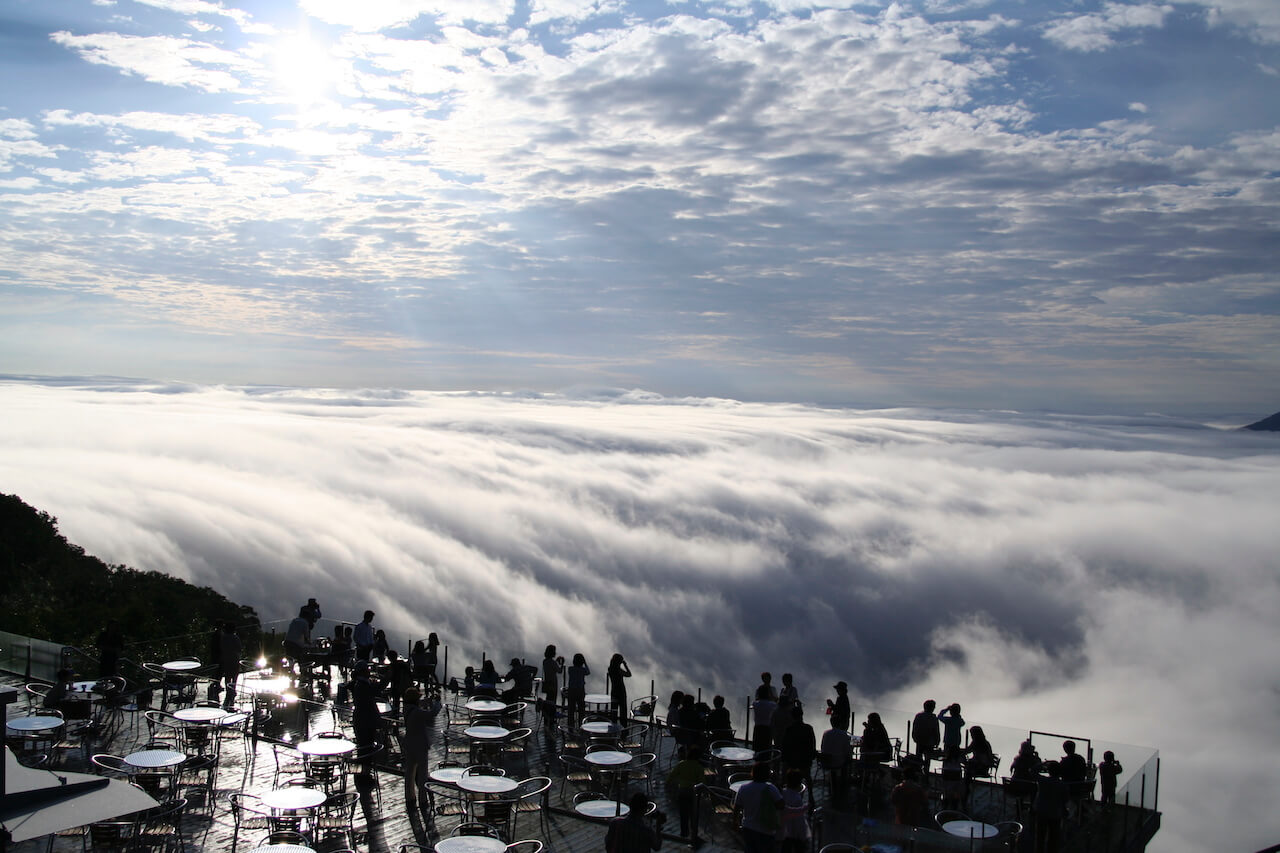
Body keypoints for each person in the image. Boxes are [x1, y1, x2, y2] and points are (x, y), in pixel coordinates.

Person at [401, 685, 442, 812]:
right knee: (422, 775)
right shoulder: (417, 712)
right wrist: (437, 703)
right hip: (420, 745)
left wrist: (428, 700)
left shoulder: (407, 709)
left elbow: (418, 705)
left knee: (410, 773)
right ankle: (423, 800)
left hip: (409, 743)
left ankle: (410, 797)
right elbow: (432, 714)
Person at [733, 761, 783, 853]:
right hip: (766, 829)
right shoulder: (771, 788)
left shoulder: (743, 788)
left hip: (748, 827)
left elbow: (737, 807)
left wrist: (735, 821)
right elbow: (781, 805)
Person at [667, 745, 704, 837]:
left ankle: (684, 832)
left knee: (683, 814)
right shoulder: (699, 767)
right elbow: (702, 782)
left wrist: (667, 784)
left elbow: (671, 775)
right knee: (693, 813)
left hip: (682, 791)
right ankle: (693, 832)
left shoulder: (681, 764)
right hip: (693, 792)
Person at [1033, 763, 1069, 853]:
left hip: (1042, 812)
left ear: (1049, 771)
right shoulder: (1062, 785)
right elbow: (1065, 800)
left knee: (1040, 837)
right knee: (1053, 839)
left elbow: (1032, 771)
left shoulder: (1043, 781)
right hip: (1055, 813)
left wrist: (1042, 764)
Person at [779, 704, 815, 785]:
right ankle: (810, 794)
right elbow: (812, 743)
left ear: (792, 716)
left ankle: (785, 791)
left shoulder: (789, 729)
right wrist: (811, 756)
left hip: (792, 759)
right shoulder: (808, 728)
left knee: (785, 775)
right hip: (805, 759)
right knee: (807, 776)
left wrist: (784, 758)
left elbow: (784, 744)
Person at [350, 660, 382, 748]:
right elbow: (370, 703)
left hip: (361, 719)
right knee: (367, 746)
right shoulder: (363, 685)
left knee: (364, 745)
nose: (369, 671)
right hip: (365, 720)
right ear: (363, 672)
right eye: (367, 669)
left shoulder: (359, 683)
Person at [778, 767, 811, 853]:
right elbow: (797, 818)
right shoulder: (796, 798)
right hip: (793, 832)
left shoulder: (782, 793)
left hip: (783, 829)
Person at [218, 621, 242, 709]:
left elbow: (221, 648)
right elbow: (239, 648)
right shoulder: (235, 638)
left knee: (227, 676)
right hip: (234, 659)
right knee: (235, 675)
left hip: (226, 659)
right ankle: (233, 690)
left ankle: (228, 690)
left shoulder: (223, 638)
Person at [385, 649, 413, 716]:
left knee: (396, 701)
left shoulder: (393, 665)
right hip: (405, 685)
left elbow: (391, 677)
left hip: (397, 685)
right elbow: (410, 674)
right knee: (405, 701)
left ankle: (395, 714)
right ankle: (406, 714)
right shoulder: (403, 664)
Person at [565, 653, 590, 729]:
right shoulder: (582, 670)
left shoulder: (570, 669)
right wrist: (585, 663)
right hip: (580, 691)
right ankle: (581, 726)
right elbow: (588, 672)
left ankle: (570, 727)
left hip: (571, 691)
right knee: (581, 710)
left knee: (571, 710)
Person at [751, 684, 777, 750]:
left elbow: (755, 701)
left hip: (757, 728)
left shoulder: (755, 704)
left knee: (757, 748)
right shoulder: (772, 705)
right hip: (767, 729)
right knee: (766, 748)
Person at [607, 653, 631, 723]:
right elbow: (629, 674)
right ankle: (623, 728)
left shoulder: (610, 668)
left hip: (614, 691)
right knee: (623, 712)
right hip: (621, 692)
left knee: (614, 711)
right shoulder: (618, 670)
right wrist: (625, 665)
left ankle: (613, 727)